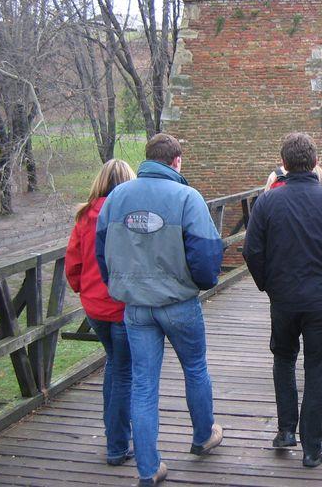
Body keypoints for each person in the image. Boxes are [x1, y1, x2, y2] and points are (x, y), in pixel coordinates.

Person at [96, 133, 225, 487]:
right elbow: (206, 253)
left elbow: (101, 250)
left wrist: (120, 285)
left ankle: (148, 468)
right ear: (176, 161)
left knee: (143, 384)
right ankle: (203, 436)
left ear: (147, 158)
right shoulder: (187, 197)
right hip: (178, 303)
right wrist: (201, 283)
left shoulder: (117, 197)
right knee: (195, 368)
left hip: (135, 307)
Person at [243, 133, 322, 468]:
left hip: (283, 297)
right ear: (315, 162)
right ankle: (312, 446)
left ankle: (285, 431)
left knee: (283, 360)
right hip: (321, 298)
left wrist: (267, 284)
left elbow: (252, 250)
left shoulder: (267, 202)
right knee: (316, 367)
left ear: (284, 163)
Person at [65, 159, 136, 467]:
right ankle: (117, 445)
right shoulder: (130, 216)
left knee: (114, 365)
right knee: (123, 372)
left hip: (94, 306)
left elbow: (73, 264)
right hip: (122, 306)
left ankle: (114, 436)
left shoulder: (85, 216)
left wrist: (83, 288)